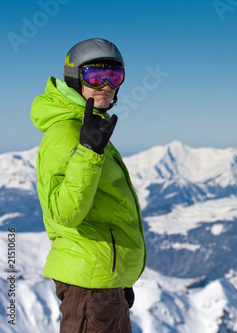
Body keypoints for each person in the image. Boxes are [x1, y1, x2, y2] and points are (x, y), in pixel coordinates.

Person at [31, 38, 147, 332]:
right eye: (95, 76)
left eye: (114, 76)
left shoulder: (90, 128)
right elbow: (65, 213)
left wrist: (119, 277)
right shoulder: (66, 134)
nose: (106, 85)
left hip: (104, 282)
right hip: (89, 285)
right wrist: (88, 153)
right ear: (74, 79)